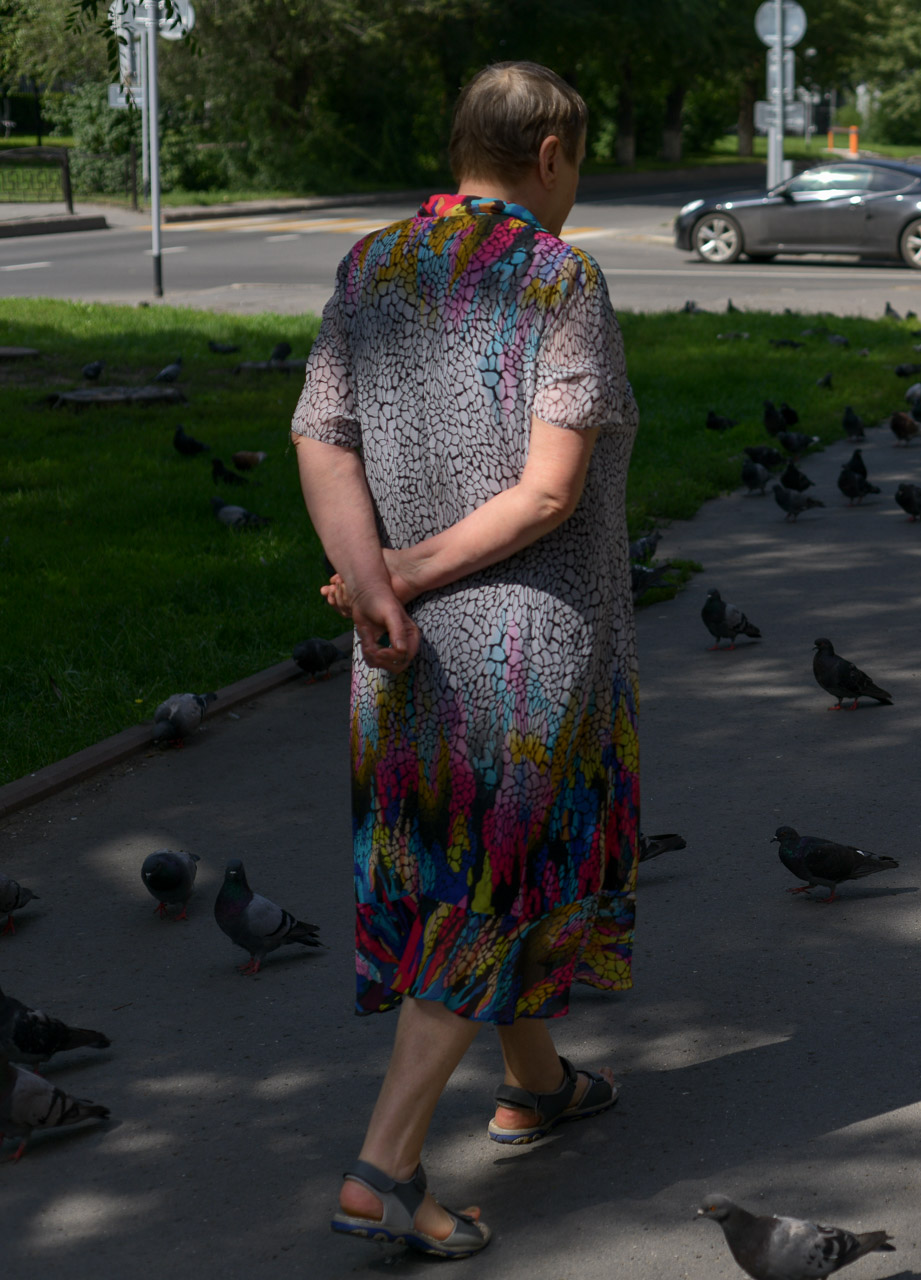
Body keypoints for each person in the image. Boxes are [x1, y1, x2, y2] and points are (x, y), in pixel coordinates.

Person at [292, 61, 641, 1260]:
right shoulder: (559, 275)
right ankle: (382, 1166)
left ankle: (535, 1082)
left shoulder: (369, 266)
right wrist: (408, 573)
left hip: (395, 652)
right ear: (549, 153)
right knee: (479, 890)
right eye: (578, 162)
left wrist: (374, 580)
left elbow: (321, 440)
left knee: (471, 870)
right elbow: (552, 489)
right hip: (527, 648)